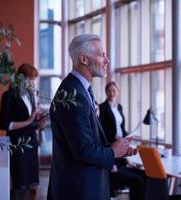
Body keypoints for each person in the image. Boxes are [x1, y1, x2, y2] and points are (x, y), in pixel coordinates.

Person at [47, 34, 136, 200]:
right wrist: (113, 153)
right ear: (84, 59)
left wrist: (115, 148)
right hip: (79, 189)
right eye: (102, 54)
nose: (107, 60)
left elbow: (85, 141)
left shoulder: (79, 90)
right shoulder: (74, 95)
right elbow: (83, 151)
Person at [0, 63, 47, 200]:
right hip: (17, 145)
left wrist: (39, 123)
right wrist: (30, 120)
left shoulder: (30, 97)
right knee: (18, 185)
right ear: (20, 78)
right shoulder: (8, 95)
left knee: (29, 187)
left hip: (31, 143)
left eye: (33, 80)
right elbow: (4, 124)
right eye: (30, 79)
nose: (32, 83)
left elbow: (31, 124)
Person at [99, 81, 145, 200]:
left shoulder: (119, 107)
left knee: (144, 175)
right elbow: (102, 129)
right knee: (138, 180)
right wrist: (115, 136)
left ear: (118, 92)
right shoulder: (102, 107)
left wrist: (127, 135)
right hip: (111, 148)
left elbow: (121, 127)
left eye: (114, 90)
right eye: (109, 91)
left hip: (121, 148)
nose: (111, 93)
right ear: (106, 92)